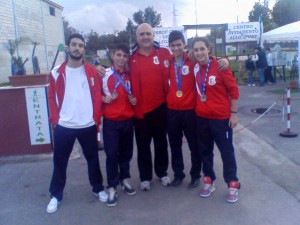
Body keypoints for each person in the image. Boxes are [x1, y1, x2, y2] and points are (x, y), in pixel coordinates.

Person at [46, 33, 108, 213]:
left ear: (84, 49)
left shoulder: (91, 71)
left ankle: (98, 188)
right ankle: (56, 195)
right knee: (60, 162)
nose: (77, 48)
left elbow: (97, 95)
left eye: (81, 45)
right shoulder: (57, 72)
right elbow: (51, 97)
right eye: (74, 45)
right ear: (68, 47)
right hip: (64, 126)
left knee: (93, 160)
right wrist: (55, 121)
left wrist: (96, 118)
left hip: (87, 125)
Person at [191, 37, 240, 203]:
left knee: (226, 152)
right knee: (205, 152)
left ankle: (232, 184)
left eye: (202, 49)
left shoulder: (220, 66)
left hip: (221, 118)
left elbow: (233, 91)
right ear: (192, 52)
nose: (199, 52)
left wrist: (233, 114)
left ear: (209, 49)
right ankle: (209, 180)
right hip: (202, 118)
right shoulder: (195, 68)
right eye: (196, 50)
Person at [130, 23, 171, 191]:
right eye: (142, 34)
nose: (145, 37)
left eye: (148, 33)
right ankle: (145, 177)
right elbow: (114, 68)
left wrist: (223, 61)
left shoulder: (164, 53)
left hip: (161, 107)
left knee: (161, 143)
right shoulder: (131, 58)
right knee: (143, 145)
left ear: (153, 36)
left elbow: (186, 57)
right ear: (137, 38)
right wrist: (99, 69)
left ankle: (162, 173)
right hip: (139, 111)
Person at [102, 44, 137, 207]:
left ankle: (124, 179)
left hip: (128, 120)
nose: (121, 58)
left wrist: (134, 100)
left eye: (124, 56)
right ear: (113, 55)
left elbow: (134, 95)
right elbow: (96, 92)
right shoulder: (104, 74)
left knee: (126, 153)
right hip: (111, 121)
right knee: (111, 155)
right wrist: (103, 99)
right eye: (118, 55)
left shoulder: (130, 76)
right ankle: (111, 186)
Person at [166, 30, 202, 189]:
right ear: (169, 46)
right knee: (174, 145)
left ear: (184, 44)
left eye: (179, 44)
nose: (176, 48)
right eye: (173, 45)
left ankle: (195, 175)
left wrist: (225, 61)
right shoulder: (167, 62)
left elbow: (210, 61)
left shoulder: (193, 60)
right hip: (172, 111)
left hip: (189, 111)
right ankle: (178, 175)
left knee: (194, 145)